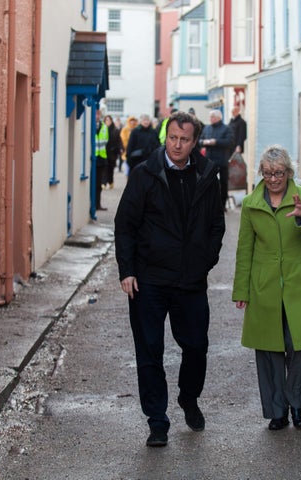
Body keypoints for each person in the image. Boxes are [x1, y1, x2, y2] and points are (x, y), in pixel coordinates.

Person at [114, 111, 226, 447]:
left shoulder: (207, 175)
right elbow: (125, 224)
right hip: (148, 280)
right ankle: (157, 421)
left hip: (190, 280)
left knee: (196, 347)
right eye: (173, 138)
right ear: (167, 137)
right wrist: (127, 270)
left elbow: (216, 225)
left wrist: (204, 261)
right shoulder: (145, 174)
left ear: (194, 143)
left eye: (184, 140)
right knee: (150, 352)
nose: (177, 145)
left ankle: (188, 399)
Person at [231, 144, 301, 431]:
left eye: (279, 172)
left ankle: (297, 405)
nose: (273, 178)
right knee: (268, 350)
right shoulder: (251, 203)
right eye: (267, 173)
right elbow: (244, 249)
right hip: (264, 286)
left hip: (299, 284)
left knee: (300, 349)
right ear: (260, 173)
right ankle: (277, 411)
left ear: (289, 172)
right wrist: (241, 290)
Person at [199, 109, 234, 209]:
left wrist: (216, 142)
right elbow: (199, 140)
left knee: (223, 183)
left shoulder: (226, 129)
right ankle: (208, 204)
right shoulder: (207, 128)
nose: (210, 119)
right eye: (210, 117)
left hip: (222, 160)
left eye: (212, 117)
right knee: (207, 182)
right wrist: (204, 142)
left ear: (218, 118)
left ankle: (222, 205)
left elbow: (230, 142)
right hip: (209, 160)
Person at [101, 115, 123, 189]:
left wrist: (121, 148)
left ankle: (110, 181)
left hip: (112, 153)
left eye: (109, 120)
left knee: (111, 168)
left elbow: (119, 141)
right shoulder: (102, 129)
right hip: (104, 152)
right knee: (104, 168)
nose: (108, 122)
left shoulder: (115, 130)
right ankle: (103, 183)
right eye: (106, 120)